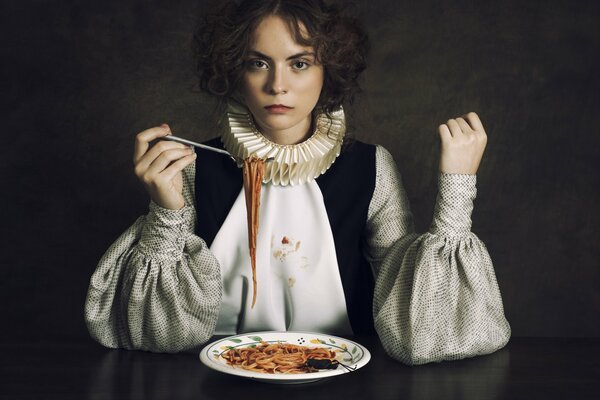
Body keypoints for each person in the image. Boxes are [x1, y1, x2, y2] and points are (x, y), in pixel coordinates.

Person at [84, 0, 510, 366]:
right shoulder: (193, 166)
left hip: (343, 370)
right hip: (215, 371)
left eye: (299, 63)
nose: (277, 85)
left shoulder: (371, 167)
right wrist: (166, 211)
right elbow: (159, 337)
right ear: (235, 71)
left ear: (329, 71)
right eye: (257, 63)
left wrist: (457, 190)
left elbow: (413, 330)